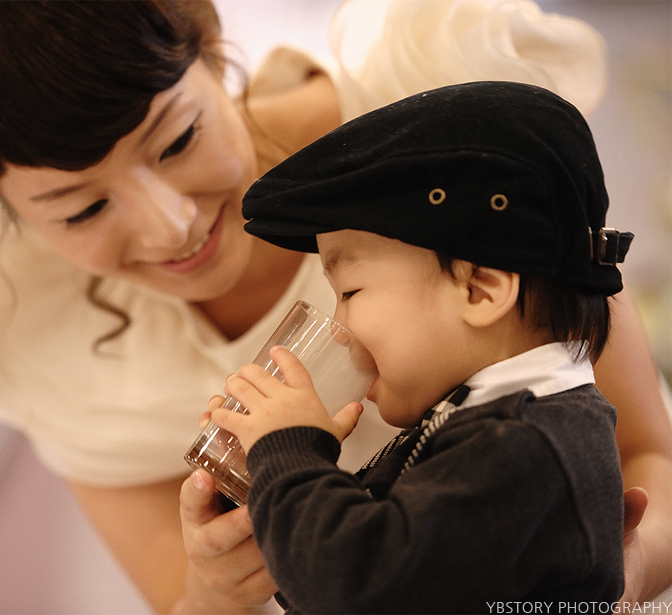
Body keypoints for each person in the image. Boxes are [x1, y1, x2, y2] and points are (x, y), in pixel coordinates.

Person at [0, 1, 672, 612]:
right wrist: (214, 587)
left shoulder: (445, 142)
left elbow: (649, 457)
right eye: (82, 210)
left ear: (210, 44)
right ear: (13, 212)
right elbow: (184, 597)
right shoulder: (30, 328)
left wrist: (604, 578)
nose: (171, 225)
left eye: (177, 139)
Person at [212, 80, 628, 613]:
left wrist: (289, 449)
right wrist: (258, 479)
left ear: (480, 290)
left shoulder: (526, 448)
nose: (338, 326)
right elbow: (319, 577)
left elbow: (350, 585)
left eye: (349, 292)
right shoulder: (489, 425)